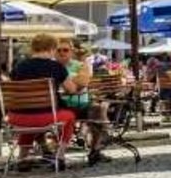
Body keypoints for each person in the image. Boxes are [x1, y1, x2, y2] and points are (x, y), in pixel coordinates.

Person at [7, 34, 105, 166]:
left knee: (30, 115)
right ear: (52, 49)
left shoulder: (18, 67)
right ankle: (60, 155)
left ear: (33, 49)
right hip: (47, 116)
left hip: (17, 117)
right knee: (69, 116)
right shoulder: (55, 67)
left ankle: (22, 157)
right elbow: (71, 89)